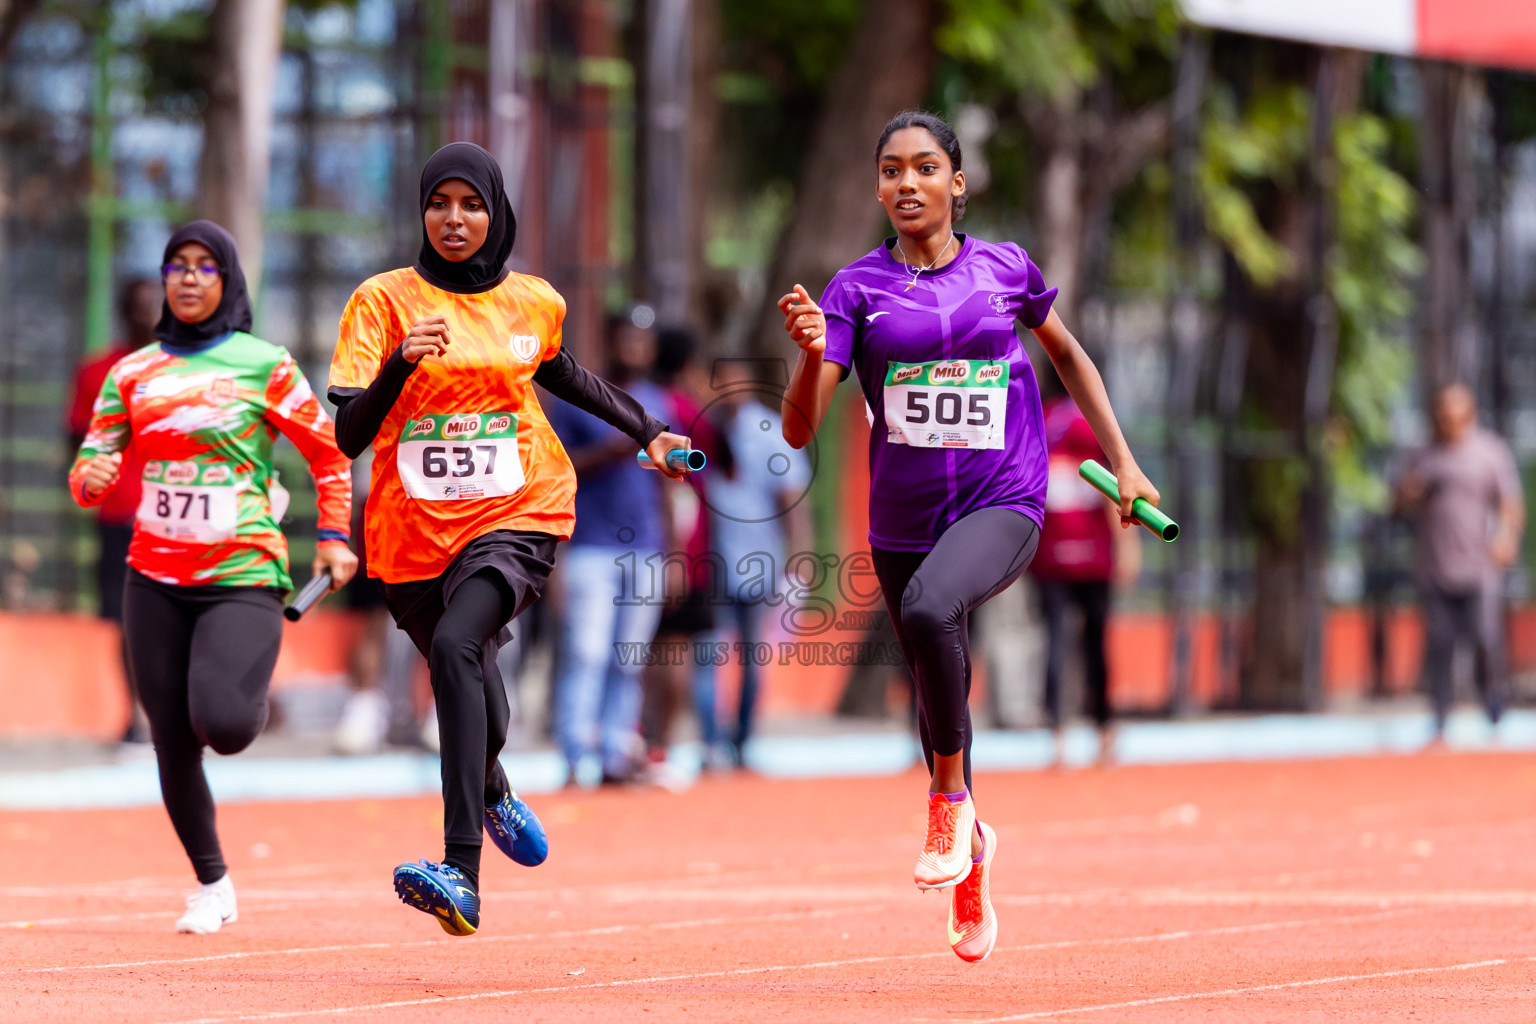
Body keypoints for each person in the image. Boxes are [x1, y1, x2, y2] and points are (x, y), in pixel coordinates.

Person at [777, 110, 1158, 963]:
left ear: (957, 182)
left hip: (1004, 498)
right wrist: (809, 352)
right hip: (902, 519)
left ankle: (949, 802)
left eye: (923, 167)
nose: (906, 183)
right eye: (890, 170)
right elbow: (799, 430)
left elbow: (1070, 358)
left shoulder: (1006, 268)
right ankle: (974, 855)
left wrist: (1125, 465)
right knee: (931, 676)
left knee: (928, 609)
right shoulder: (854, 290)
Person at [327, 141, 690, 936]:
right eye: (439, 204)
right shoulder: (381, 302)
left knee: (458, 645)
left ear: (497, 213)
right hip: (411, 533)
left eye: (472, 205)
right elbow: (348, 435)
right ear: (422, 211)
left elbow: (570, 377)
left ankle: (460, 872)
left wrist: (650, 431)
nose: (454, 220)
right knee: (478, 696)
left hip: (518, 511)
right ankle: (492, 788)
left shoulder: (532, 301)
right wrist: (398, 365)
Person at [69, 221, 358, 934]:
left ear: (227, 280)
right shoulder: (132, 373)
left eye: (205, 266)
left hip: (241, 571)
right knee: (171, 738)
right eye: (177, 265)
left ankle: (244, 685)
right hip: (153, 576)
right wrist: (91, 476)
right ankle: (212, 884)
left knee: (223, 726)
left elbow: (328, 455)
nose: (190, 277)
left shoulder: (265, 364)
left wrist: (332, 538)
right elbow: (88, 469)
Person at [545, 305, 670, 787]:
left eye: (643, 340)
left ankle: (618, 753)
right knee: (588, 653)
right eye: (627, 338)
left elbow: (669, 481)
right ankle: (576, 754)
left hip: (647, 547)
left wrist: (674, 551)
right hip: (591, 546)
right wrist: (613, 451)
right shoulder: (580, 396)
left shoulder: (658, 401)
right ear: (611, 340)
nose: (635, 348)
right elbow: (557, 467)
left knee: (630, 658)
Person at [1394, 383, 1525, 741]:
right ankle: (1440, 717)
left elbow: (1511, 503)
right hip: (1435, 567)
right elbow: (1397, 503)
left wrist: (1506, 537)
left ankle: (1494, 708)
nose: (1446, 424)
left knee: (1485, 637)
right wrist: (1409, 492)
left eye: (1453, 417)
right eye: (1442, 417)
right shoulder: (1423, 455)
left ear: (1469, 417)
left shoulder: (1490, 452)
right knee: (1439, 644)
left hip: (1480, 566)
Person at [703, 359, 811, 767]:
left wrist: (800, 557)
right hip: (710, 561)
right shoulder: (704, 431)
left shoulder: (769, 433)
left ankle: (741, 740)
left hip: (757, 560)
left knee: (751, 656)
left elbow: (791, 499)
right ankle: (711, 740)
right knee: (707, 654)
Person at [66, 277, 160, 744]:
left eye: (154, 306)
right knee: (127, 618)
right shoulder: (97, 371)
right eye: (138, 306)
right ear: (123, 312)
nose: (147, 315)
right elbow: (78, 439)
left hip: (178, 513)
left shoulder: (187, 369)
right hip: (121, 515)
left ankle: (173, 711)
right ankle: (137, 715)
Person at [1030, 390, 1140, 767]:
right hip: (1092, 555)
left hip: (1051, 555)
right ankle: (1103, 730)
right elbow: (1115, 487)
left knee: (1057, 641)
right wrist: (1128, 548)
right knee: (1093, 644)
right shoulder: (1092, 420)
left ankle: (1058, 735)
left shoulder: (1042, 418)